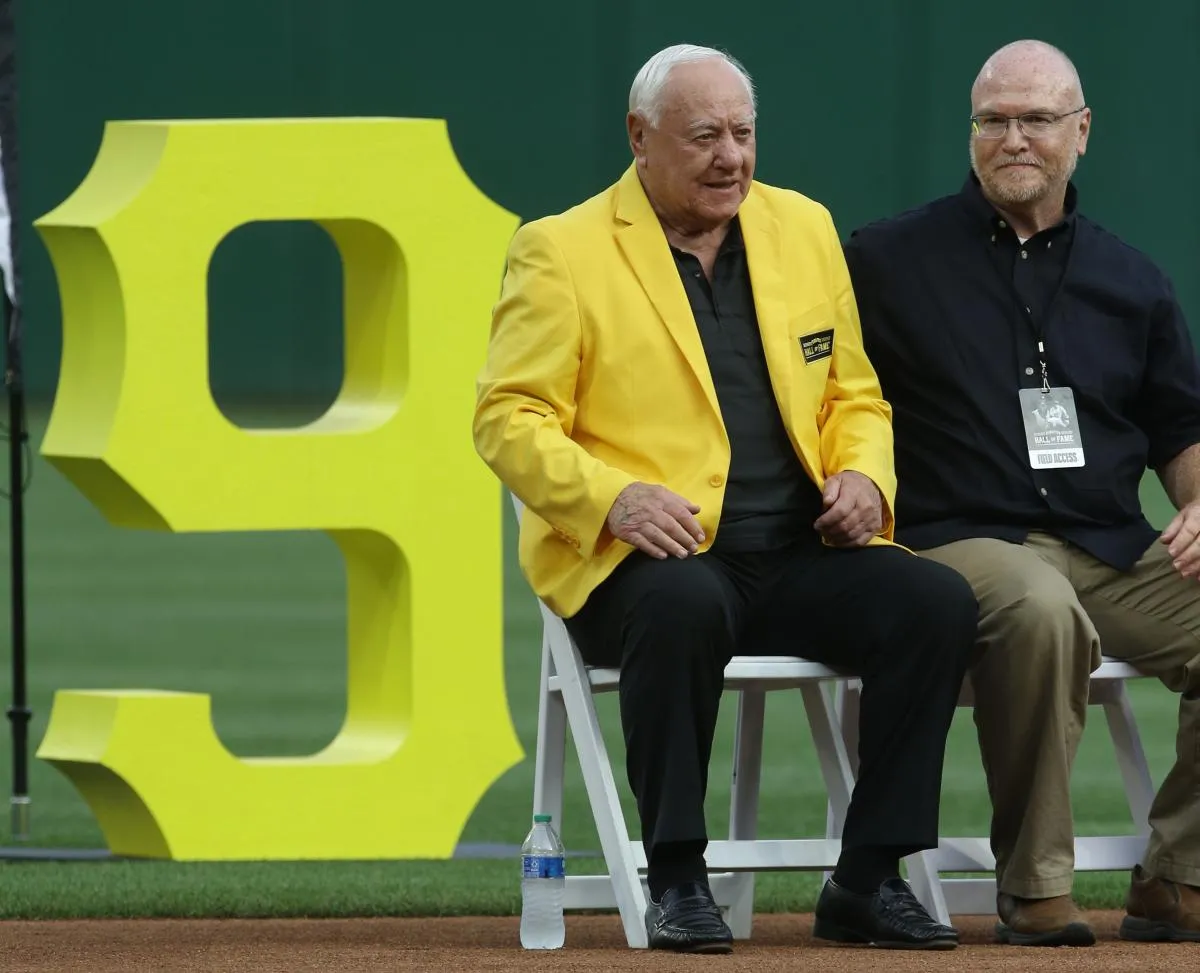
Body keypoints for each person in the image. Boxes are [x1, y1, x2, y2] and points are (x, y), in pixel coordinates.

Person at [474, 43, 978, 953]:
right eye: (704, 136)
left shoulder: (804, 227)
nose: (732, 158)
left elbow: (855, 392)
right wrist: (612, 496)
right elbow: (508, 418)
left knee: (934, 603)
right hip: (643, 561)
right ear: (639, 138)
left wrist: (865, 475)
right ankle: (675, 876)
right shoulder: (561, 249)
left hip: (795, 554)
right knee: (681, 601)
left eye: (743, 134)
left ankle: (865, 877)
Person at [845, 38, 1200, 948]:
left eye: (1037, 119)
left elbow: (1180, 432)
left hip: (1108, 541)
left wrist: (1199, 502)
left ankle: (1177, 877)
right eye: (994, 119)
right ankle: (1035, 885)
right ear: (971, 134)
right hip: (956, 537)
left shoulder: (1134, 280)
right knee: (1042, 607)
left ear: (1081, 132)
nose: (1015, 138)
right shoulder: (886, 259)